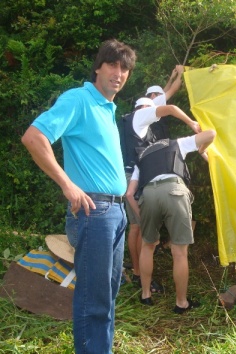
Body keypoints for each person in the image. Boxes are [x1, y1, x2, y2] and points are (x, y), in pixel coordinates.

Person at [21, 39, 136, 353]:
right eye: (112, 64)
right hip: (94, 211)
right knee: (93, 299)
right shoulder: (80, 99)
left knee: (107, 297)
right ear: (98, 67)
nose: (119, 72)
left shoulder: (108, 110)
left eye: (125, 68)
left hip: (115, 212)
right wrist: (67, 184)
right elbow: (34, 137)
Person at [125, 129, 216, 313]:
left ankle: (145, 295)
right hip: (174, 190)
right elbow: (211, 134)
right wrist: (201, 150)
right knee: (179, 252)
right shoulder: (176, 143)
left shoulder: (141, 157)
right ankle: (181, 303)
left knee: (147, 245)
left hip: (148, 194)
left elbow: (129, 194)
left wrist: (142, 219)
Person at [119, 96, 201, 294]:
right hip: (135, 176)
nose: (156, 117)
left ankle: (140, 277)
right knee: (141, 230)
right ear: (146, 108)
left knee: (137, 228)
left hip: (129, 174)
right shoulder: (140, 115)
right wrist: (192, 123)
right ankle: (141, 277)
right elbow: (171, 107)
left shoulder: (129, 123)